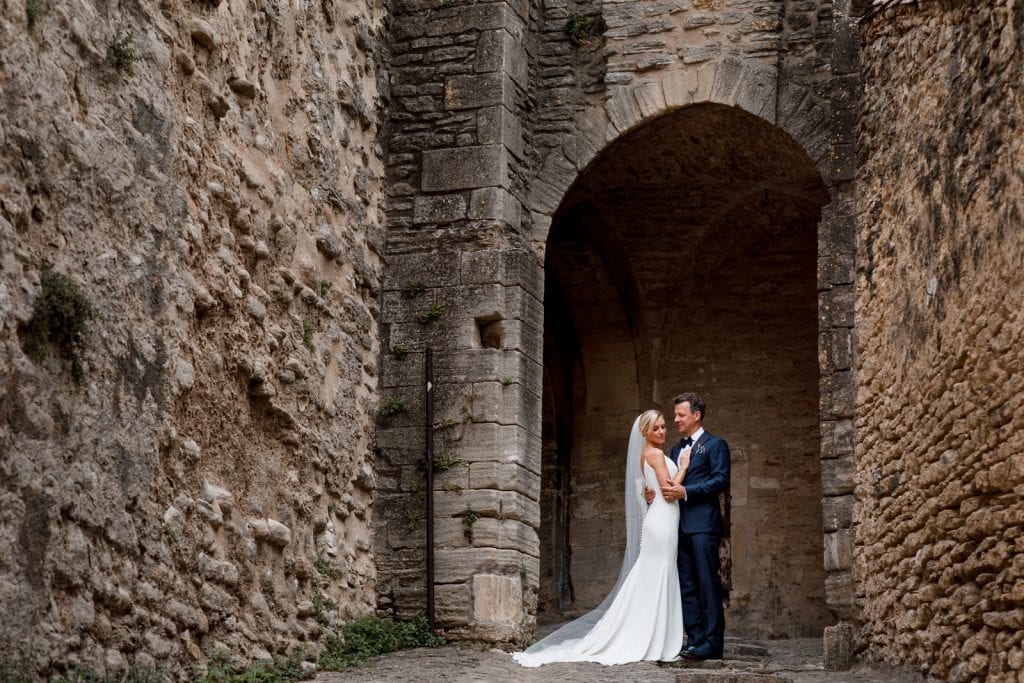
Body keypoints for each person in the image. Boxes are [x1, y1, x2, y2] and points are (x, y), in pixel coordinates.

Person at [512, 410, 691, 667]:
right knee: (658, 572)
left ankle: (653, 634)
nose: (662, 432)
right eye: (657, 429)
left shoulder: (646, 455)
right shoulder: (654, 454)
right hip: (662, 518)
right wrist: (683, 466)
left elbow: (651, 490)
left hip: (661, 517)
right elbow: (669, 490)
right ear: (645, 433)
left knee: (653, 573)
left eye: (664, 427)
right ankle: (651, 637)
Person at [660, 393, 731, 660]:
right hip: (677, 525)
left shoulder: (715, 445)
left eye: (680, 415)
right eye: (675, 414)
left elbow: (721, 480)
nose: (675, 419)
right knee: (687, 584)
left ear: (696, 415)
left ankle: (713, 643)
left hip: (703, 524)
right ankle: (695, 639)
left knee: (707, 582)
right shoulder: (676, 450)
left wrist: (686, 492)